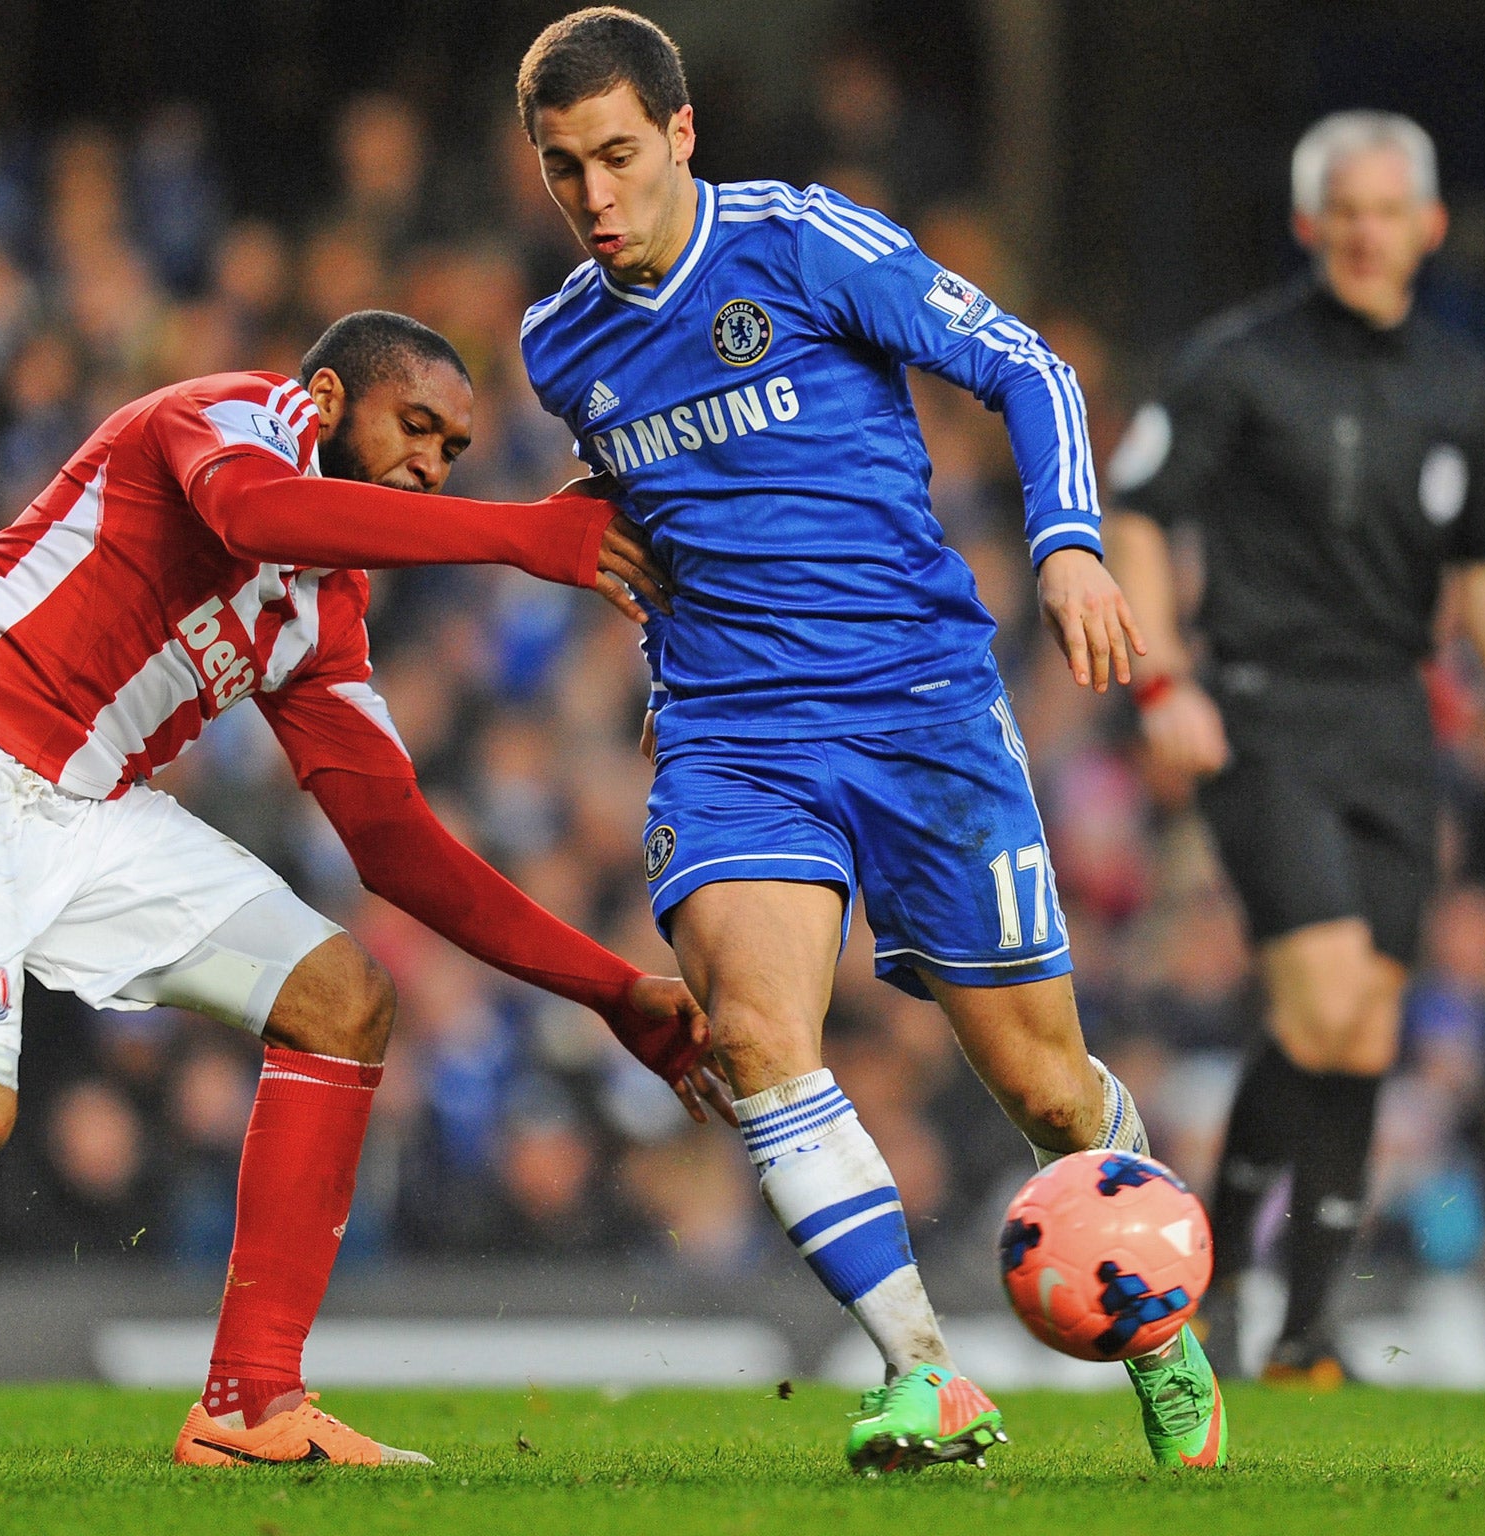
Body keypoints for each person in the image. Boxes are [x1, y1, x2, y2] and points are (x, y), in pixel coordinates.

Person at [0, 309, 730, 1466]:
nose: (431, 464)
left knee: (342, 999)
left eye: (454, 451)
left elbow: (392, 843)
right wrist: (522, 533)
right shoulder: (230, 417)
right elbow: (253, 511)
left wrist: (609, 988)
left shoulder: (324, 611)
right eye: (415, 428)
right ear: (325, 402)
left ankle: (250, 1404)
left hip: (77, 797)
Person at [511, 8, 1223, 1473]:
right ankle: (926, 1374)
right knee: (761, 1041)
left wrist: (1073, 547)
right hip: (730, 733)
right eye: (564, 166)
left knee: (1042, 1086)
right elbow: (646, 494)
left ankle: (1155, 1318)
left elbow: (1027, 365)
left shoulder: (803, 239)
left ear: (683, 134)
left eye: (621, 157)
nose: (595, 198)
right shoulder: (556, 342)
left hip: (917, 714)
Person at [1104, 111, 1485, 1385]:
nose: (1367, 233)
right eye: (1344, 211)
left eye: (1389, 212)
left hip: (1387, 719)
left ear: (1425, 228)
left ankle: (1298, 1333)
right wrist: (1163, 684)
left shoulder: (1453, 384)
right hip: (1258, 708)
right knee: (1321, 997)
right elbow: (1137, 514)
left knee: (1359, 1027)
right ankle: (1220, 1296)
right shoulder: (1234, 365)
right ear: (1309, 225)